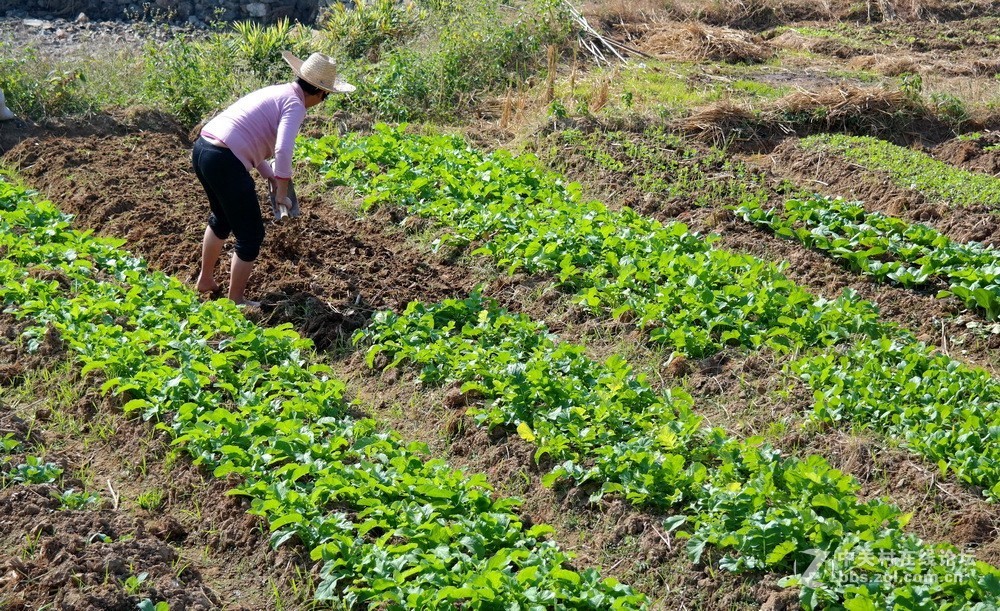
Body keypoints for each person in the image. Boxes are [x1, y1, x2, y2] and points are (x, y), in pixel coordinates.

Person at [192, 51, 354, 306]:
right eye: (326, 97)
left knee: (221, 218)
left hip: (204, 149)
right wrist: (281, 189)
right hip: (225, 160)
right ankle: (236, 302)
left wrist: (269, 175)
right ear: (321, 93)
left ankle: (205, 280)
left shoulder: (279, 91)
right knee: (251, 235)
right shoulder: (295, 105)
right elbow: (282, 149)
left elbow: (249, 136)